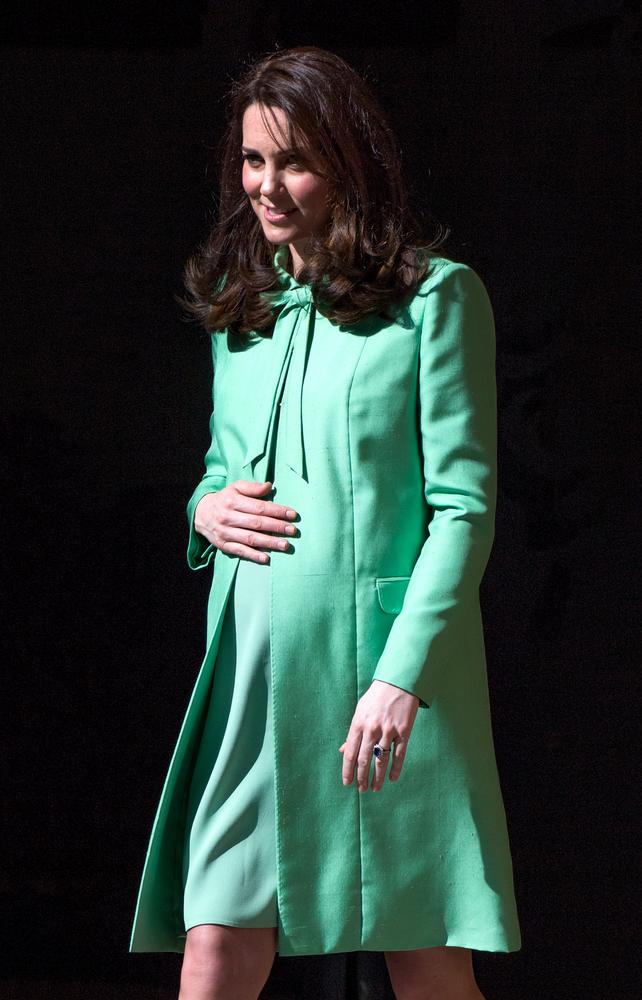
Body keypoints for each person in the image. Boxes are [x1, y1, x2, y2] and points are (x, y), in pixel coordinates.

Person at [129, 45, 522, 1000]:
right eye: (253, 161)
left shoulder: (436, 301)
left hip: (384, 686)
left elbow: (462, 510)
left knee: (426, 961)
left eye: (293, 161)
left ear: (349, 163)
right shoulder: (244, 315)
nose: (266, 185)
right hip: (257, 680)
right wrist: (203, 507)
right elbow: (221, 475)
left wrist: (401, 678)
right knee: (215, 945)